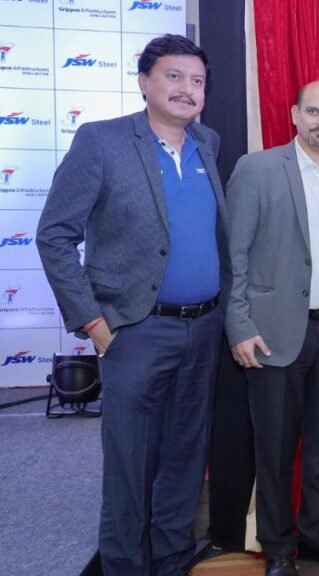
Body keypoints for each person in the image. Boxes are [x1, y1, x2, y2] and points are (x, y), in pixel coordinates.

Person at [36, 34, 227, 575]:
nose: (187, 89)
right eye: (174, 76)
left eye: (197, 81)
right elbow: (54, 235)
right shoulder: (102, 141)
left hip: (203, 328)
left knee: (185, 458)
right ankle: (123, 566)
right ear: (144, 82)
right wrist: (94, 322)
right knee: (130, 465)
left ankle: (170, 560)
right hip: (135, 330)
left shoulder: (207, 142)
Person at [225, 80, 319, 576]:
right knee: (274, 448)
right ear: (294, 114)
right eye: (313, 112)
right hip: (273, 334)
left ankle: (318, 535)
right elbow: (233, 255)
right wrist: (239, 325)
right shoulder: (258, 169)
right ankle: (278, 549)